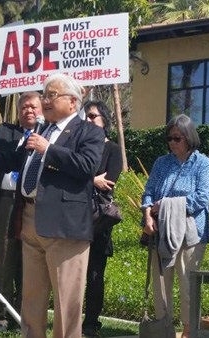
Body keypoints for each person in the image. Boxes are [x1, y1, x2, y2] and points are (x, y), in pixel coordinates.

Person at [0, 73, 105, 338]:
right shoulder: (40, 130)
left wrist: (49, 149)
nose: (44, 100)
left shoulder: (88, 131)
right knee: (31, 297)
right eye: (44, 95)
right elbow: (18, 159)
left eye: (51, 95)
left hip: (64, 227)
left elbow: (87, 166)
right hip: (30, 220)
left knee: (66, 301)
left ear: (73, 102)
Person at [0, 83, 43, 331]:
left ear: (42, 108)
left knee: (29, 263)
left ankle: (22, 316)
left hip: (32, 204)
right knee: (3, 260)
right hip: (5, 202)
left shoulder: (47, 136)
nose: (28, 111)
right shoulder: (5, 131)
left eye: (33, 106)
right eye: (24, 106)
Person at [141, 114, 209, 338]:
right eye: (169, 138)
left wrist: (164, 206)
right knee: (160, 286)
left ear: (189, 138)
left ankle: (189, 331)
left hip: (191, 233)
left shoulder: (204, 164)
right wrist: (147, 215)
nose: (172, 142)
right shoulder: (161, 163)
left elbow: (202, 198)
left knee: (188, 287)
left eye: (177, 138)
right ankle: (164, 330)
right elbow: (149, 192)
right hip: (161, 231)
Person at [81, 101, 123, 338]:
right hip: (74, 216)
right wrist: (92, 179)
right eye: (86, 116)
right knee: (74, 272)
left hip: (98, 219)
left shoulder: (113, 149)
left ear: (105, 121)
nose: (88, 120)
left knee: (95, 274)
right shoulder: (79, 147)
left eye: (93, 116)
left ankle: (91, 324)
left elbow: (110, 182)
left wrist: (87, 179)